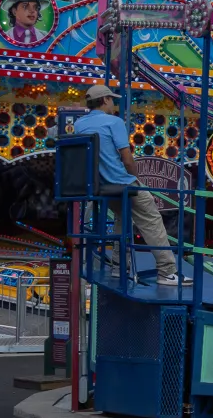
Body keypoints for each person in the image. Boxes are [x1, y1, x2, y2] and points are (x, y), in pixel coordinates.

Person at [73, 85, 191, 286]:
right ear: (104, 100)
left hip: (99, 186)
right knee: (152, 219)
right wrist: (138, 182)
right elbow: (127, 159)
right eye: (112, 99)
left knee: (123, 218)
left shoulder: (79, 125)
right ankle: (167, 271)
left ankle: (120, 266)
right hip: (120, 182)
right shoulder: (114, 122)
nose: (114, 103)